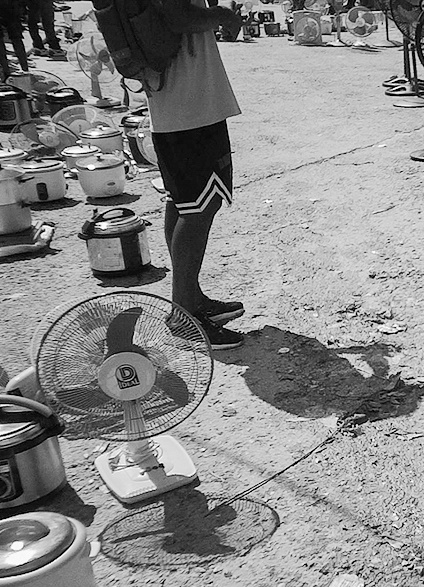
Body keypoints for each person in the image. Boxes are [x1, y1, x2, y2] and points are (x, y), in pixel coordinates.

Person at [150, 0, 246, 349]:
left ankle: (190, 297)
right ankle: (183, 315)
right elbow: (177, 17)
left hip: (178, 103)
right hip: (190, 106)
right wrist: (223, 16)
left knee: (183, 201)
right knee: (200, 206)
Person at [0, 0, 29, 79]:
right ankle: (25, 69)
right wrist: (24, 9)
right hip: (10, 6)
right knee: (16, 38)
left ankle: (6, 71)